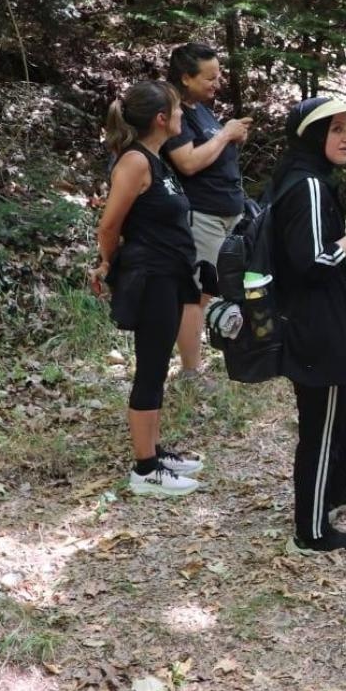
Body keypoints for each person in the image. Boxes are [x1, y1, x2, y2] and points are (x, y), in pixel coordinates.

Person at [270, 96, 346, 552]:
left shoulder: (303, 179)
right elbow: (311, 261)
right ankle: (311, 531)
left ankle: (331, 490)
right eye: (334, 129)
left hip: (314, 317)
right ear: (312, 137)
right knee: (320, 424)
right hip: (314, 324)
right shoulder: (308, 185)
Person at [92, 81, 205, 498]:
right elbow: (109, 224)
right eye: (176, 110)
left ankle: (156, 452)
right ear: (160, 119)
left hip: (170, 274)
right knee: (152, 366)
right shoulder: (135, 162)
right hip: (150, 276)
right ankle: (144, 470)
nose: (182, 116)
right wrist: (107, 262)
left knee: (158, 366)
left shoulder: (156, 161)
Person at [161, 43, 252, 396]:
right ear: (186, 78)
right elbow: (188, 162)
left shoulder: (201, 110)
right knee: (196, 295)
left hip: (227, 213)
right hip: (203, 214)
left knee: (212, 291)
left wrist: (232, 138)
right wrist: (226, 134)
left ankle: (207, 359)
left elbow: (212, 154)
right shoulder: (174, 112)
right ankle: (189, 373)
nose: (218, 82)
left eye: (219, 74)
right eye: (210, 76)